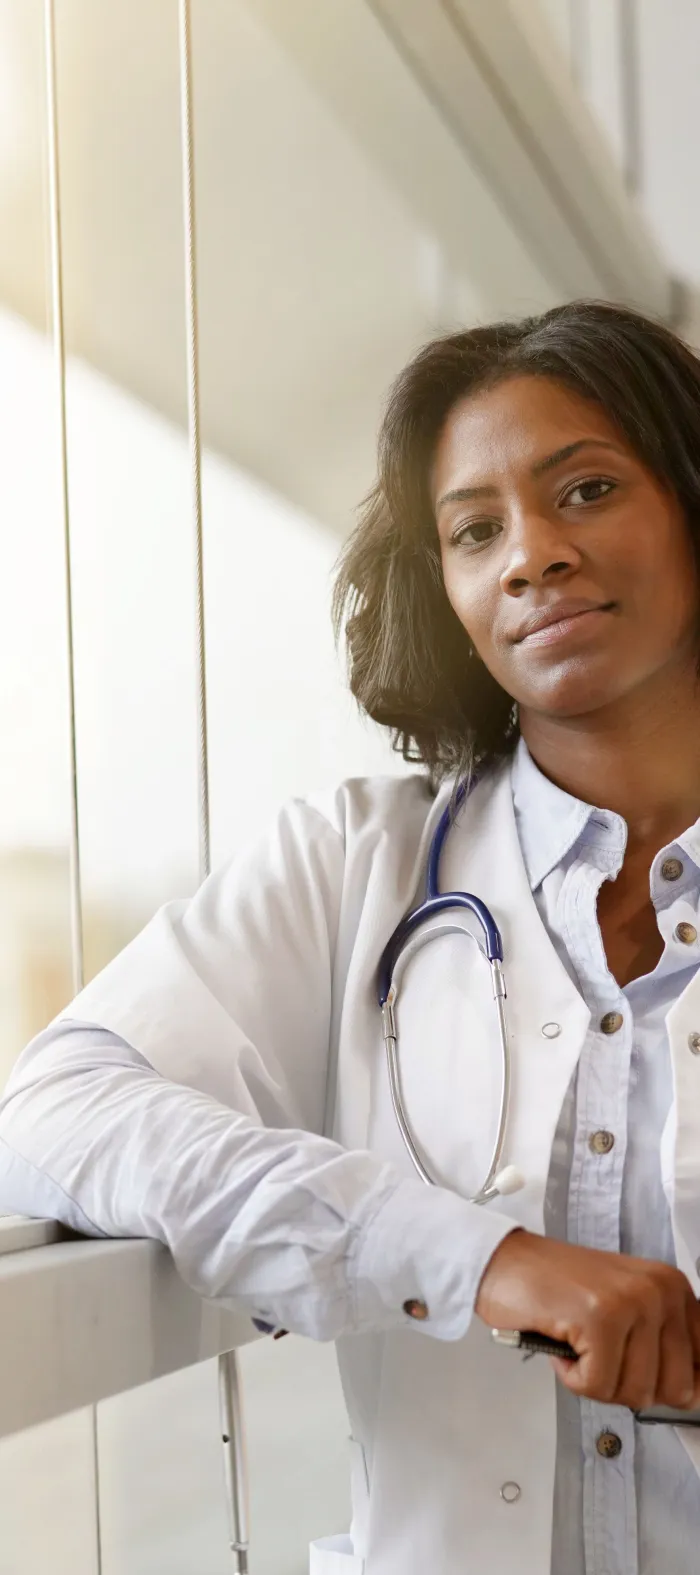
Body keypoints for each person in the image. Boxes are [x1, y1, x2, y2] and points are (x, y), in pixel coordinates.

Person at [2, 300, 700, 1575]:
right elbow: (56, 1107)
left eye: (586, 490)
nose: (530, 556)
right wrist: (473, 1257)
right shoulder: (356, 866)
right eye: (474, 530)